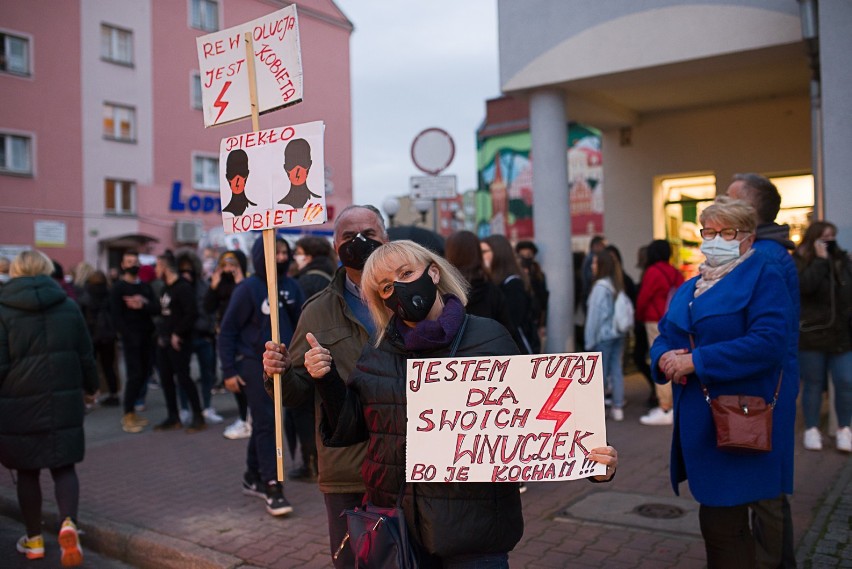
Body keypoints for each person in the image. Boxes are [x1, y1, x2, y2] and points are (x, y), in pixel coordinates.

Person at [267, 240, 618, 567]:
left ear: (433, 272)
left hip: (476, 538)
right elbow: (350, 427)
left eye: (406, 274)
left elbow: (535, 426)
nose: (399, 288)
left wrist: (589, 460)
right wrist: (326, 379)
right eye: (387, 286)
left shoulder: (489, 338)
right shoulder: (377, 355)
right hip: (400, 532)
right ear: (381, 299)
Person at [650, 196, 795, 568]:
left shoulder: (764, 275)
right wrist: (663, 358)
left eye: (726, 231)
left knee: (723, 524)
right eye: (709, 231)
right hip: (702, 422)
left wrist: (696, 361)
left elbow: (769, 342)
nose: (715, 239)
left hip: (740, 416)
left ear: (747, 237)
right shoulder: (693, 285)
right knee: (718, 521)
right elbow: (666, 333)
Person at [262, 204, 386, 569]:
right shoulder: (317, 310)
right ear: (335, 246)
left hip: (411, 464)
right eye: (349, 236)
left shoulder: (416, 299)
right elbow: (297, 391)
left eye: (370, 234)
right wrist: (278, 372)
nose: (360, 242)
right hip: (349, 468)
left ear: (386, 239)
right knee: (355, 562)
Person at [0, 250, 98, 566]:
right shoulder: (68, 305)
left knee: (27, 472)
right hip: (64, 399)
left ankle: (34, 540)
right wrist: (91, 388)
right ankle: (68, 523)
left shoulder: (3, 310)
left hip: (18, 402)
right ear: (46, 270)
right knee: (64, 466)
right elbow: (85, 353)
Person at [727, 173, 801, 566]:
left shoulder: (765, 259)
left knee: (767, 490)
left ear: (748, 212)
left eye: (729, 198)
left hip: (764, 391)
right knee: (762, 485)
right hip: (765, 388)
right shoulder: (767, 254)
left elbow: (765, 340)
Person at [218, 236, 303, 517]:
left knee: (271, 422)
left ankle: (251, 474)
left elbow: (301, 323)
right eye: (273, 252)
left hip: (287, 366)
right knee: (267, 422)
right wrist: (228, 370)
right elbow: (228, 330)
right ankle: (272, 485)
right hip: (255, 365)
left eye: (284, 252)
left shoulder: (292, 286)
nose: (279, 257)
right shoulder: (248, 289)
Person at [794, 220, 852, 453]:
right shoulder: (800, 260)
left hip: (840, 333)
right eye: (823, 237)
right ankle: (811, 429)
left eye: (832, 237)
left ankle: (844, 429)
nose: (828, 242)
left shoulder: (841, 260)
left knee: (846, 381)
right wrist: (819, 260)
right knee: (813, 383)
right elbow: (805, 287)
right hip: (812, 334)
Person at [286, 236, 336, 481]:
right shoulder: (332, 276)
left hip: (306, 354)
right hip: (330, 353)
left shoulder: (306, 281)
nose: (296, 256)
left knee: (303, 414)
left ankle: (311, 462)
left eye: (299, 252)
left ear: (309, 255)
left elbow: (297, 318)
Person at [152, 251, 205, 433]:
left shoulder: (183, 288)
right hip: (165, 342)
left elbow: (191, 314)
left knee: (184, 378)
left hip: (180, 342)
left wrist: (177, 333)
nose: (155, 270)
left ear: (165, 268)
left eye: (158, 266)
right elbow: (163, 313)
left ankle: (198, 415)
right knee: (166, 379)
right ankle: (173, 416)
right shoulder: (165, 288)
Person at [445, 230, 520, 351]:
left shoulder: (442, 292)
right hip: (489, 360)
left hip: (451, 362)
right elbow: (508, 332)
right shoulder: (492, 291)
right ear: (477, 254)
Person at [204, 249, 252, 440]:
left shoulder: (246, 284)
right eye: (225, 265)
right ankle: (243, 417)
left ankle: (247, 418)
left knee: (243, 376)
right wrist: (213, 287)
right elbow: (207, 307)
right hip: (225, 337)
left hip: (243, 338)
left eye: (233, 264)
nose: (228, 269)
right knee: (231, 376)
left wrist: (240, 279)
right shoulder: (220, 284)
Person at [637, 240, 684, 426]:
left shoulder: (652, 272)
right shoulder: (675, 272)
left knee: (659, 361)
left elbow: (643, 298)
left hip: (655, 320)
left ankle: (665, 406)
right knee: (673, 359)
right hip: (673, 321)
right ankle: (673, 404)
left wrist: (639, 316)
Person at [110, 249, 158, 433]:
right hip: (131, 341)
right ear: (123, 265)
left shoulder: (145, 287)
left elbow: (155, 309)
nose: (132, 264)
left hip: (147, 338)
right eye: (129, 261)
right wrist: (127, 335)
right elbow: (116, 317)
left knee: (144, 374)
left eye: (135, 261)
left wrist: (142, 303)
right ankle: (128, 413)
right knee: (134, 375)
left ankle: (133, 413)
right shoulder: (118, 288)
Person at [176, 250, 223, 425]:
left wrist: (211, 330)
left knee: (207, 375)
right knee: (183, 376)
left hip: (204, 336)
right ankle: (185, 409)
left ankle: (207, 407)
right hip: (184, 337)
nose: (186, 275)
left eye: (189, 270)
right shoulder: (178, 288)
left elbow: (210, 309)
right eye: (182, 271)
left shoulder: (203, 286)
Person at [585, 248, 629, 421]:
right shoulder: (615, 283)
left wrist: (589, 341)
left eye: (595, 262)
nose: (592, 266)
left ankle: (599, 408)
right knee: (616, 369)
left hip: (603, 336)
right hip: (618, 333)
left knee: (600, 374)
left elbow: (593, 318)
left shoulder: (600, 287)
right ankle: (618, 407)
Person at [483, 234, 540, 354]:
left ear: (498, 253)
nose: (480, 256)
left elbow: (512, 323)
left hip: (517, 350)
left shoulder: (513, 283)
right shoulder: (491, 281)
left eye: (484, 251)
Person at [78, 270, 121, 406]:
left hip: (91, 335)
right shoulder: (110, 294)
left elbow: (81, 318)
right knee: (108, 366)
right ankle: (113, 394)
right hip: (108, 336)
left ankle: (91, 395)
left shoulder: (85, 296)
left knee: (90, 366)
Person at [516, 240, 549, 346]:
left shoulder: (539, 275)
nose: (526, 258)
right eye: (522, 255)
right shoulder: (515, 276)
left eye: (528, 255)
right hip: (521, 323)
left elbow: (544, 300)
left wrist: (542, 324)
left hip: (535, 321)